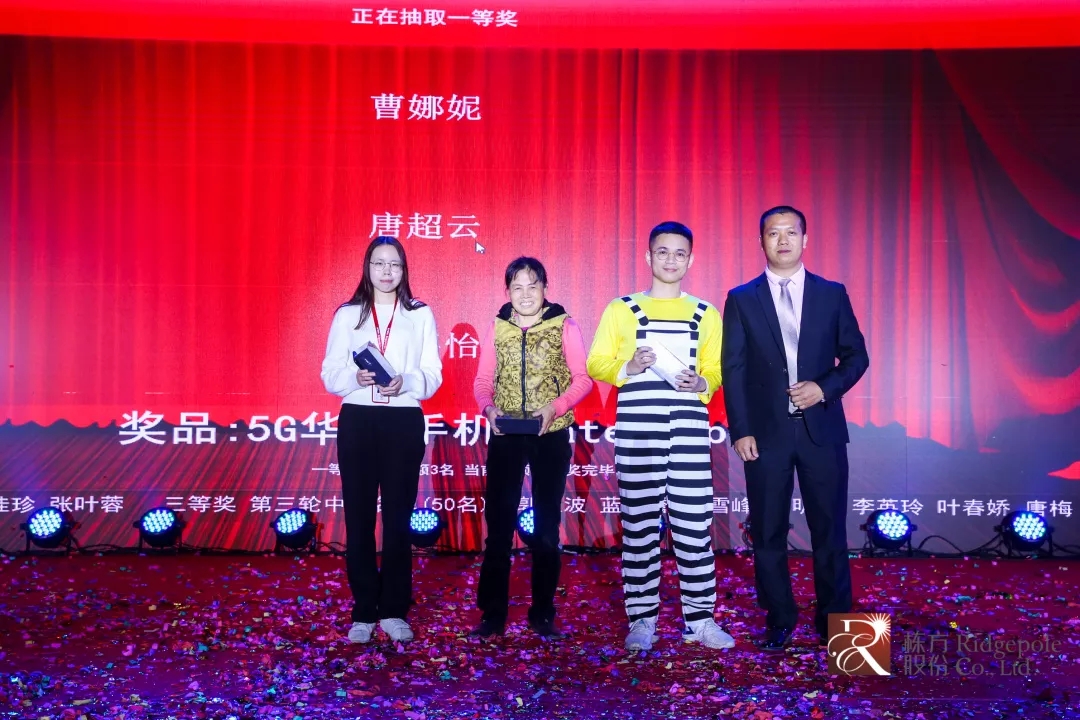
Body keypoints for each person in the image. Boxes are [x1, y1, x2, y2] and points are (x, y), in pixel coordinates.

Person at [720, 206, 869, 651]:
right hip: (765, 436)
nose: (782, 240)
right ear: (761, 241)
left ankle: (835, 623)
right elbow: (734, 368)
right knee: (768, 531)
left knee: (830, 530)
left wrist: (824, 388)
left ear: (805, 239)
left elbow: (856, 356)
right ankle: (780, 617)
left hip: (822, 431)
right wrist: (741, 429)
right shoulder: (741, 298)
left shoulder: (831, 293)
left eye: (791, 232)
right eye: (773, 233)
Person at [587, 221, 734, 652]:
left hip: (688, 431)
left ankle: (700, 620)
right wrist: (628, 367)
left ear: (691, 259)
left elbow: (717, 369)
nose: (671, 260)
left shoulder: (706, 313)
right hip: (639, 431)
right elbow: (596, 362)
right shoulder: (621, 308)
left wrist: (702, 383)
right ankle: (642, 620)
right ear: (649, 256)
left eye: (679, 253)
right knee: (639, 528)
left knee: (693, 529)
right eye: (663, 252)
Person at [320, 236, 443, 645]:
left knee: (397, 519)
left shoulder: (419, 314)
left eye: (394, 264)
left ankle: (393, 610)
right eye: (379, 263)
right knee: (358, 519)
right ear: (367, 267)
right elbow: (330, 372)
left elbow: (433, 374)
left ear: (404, 270)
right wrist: (354, 377)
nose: (386, 272)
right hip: (358, 419)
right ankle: (363, 611)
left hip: (403, 420)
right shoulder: (348, 314)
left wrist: (404, 381)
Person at [470, 257, 593, 639]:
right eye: (517, 287)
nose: (525, 295)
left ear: (545, 288)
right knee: (499, 528)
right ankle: (493, 615)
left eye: (533, 286)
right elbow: (483, 380)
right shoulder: (498, 326)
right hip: (506, 432)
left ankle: (542, 613)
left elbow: (583, 379)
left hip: (550, 432)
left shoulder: (564, 325)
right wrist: (488, 409)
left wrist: (555, 408)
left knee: (546, 529)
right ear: (507, 291)